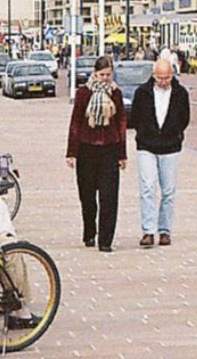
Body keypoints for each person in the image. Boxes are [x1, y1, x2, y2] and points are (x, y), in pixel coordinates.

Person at [66, 56, 128, 252]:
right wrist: (71, 152)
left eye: (108, 75)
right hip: (87, 148)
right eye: (102, 75)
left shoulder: (116, 94)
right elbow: (76, 122)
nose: (105, 78)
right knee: (87, 196)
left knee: (109, 197)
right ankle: (89, 232)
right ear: (95, 73)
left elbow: (121, 123)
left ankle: (106, 240)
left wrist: (122, 154)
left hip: (110, 148)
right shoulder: (84, 93)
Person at [130, 57, 192, 248]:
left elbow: (184, 118)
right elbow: (135, 117)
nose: (163, 82)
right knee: (147, 187)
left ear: (172, 75)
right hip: (146, 145)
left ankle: (164, 230)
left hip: (170, 146)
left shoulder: (181, 93)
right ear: (153, 75)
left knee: (168, 191)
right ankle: (148, 230)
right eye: (160, 78)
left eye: (167, 78)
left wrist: (175, 134)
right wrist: (144, 132)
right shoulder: (142, 93)